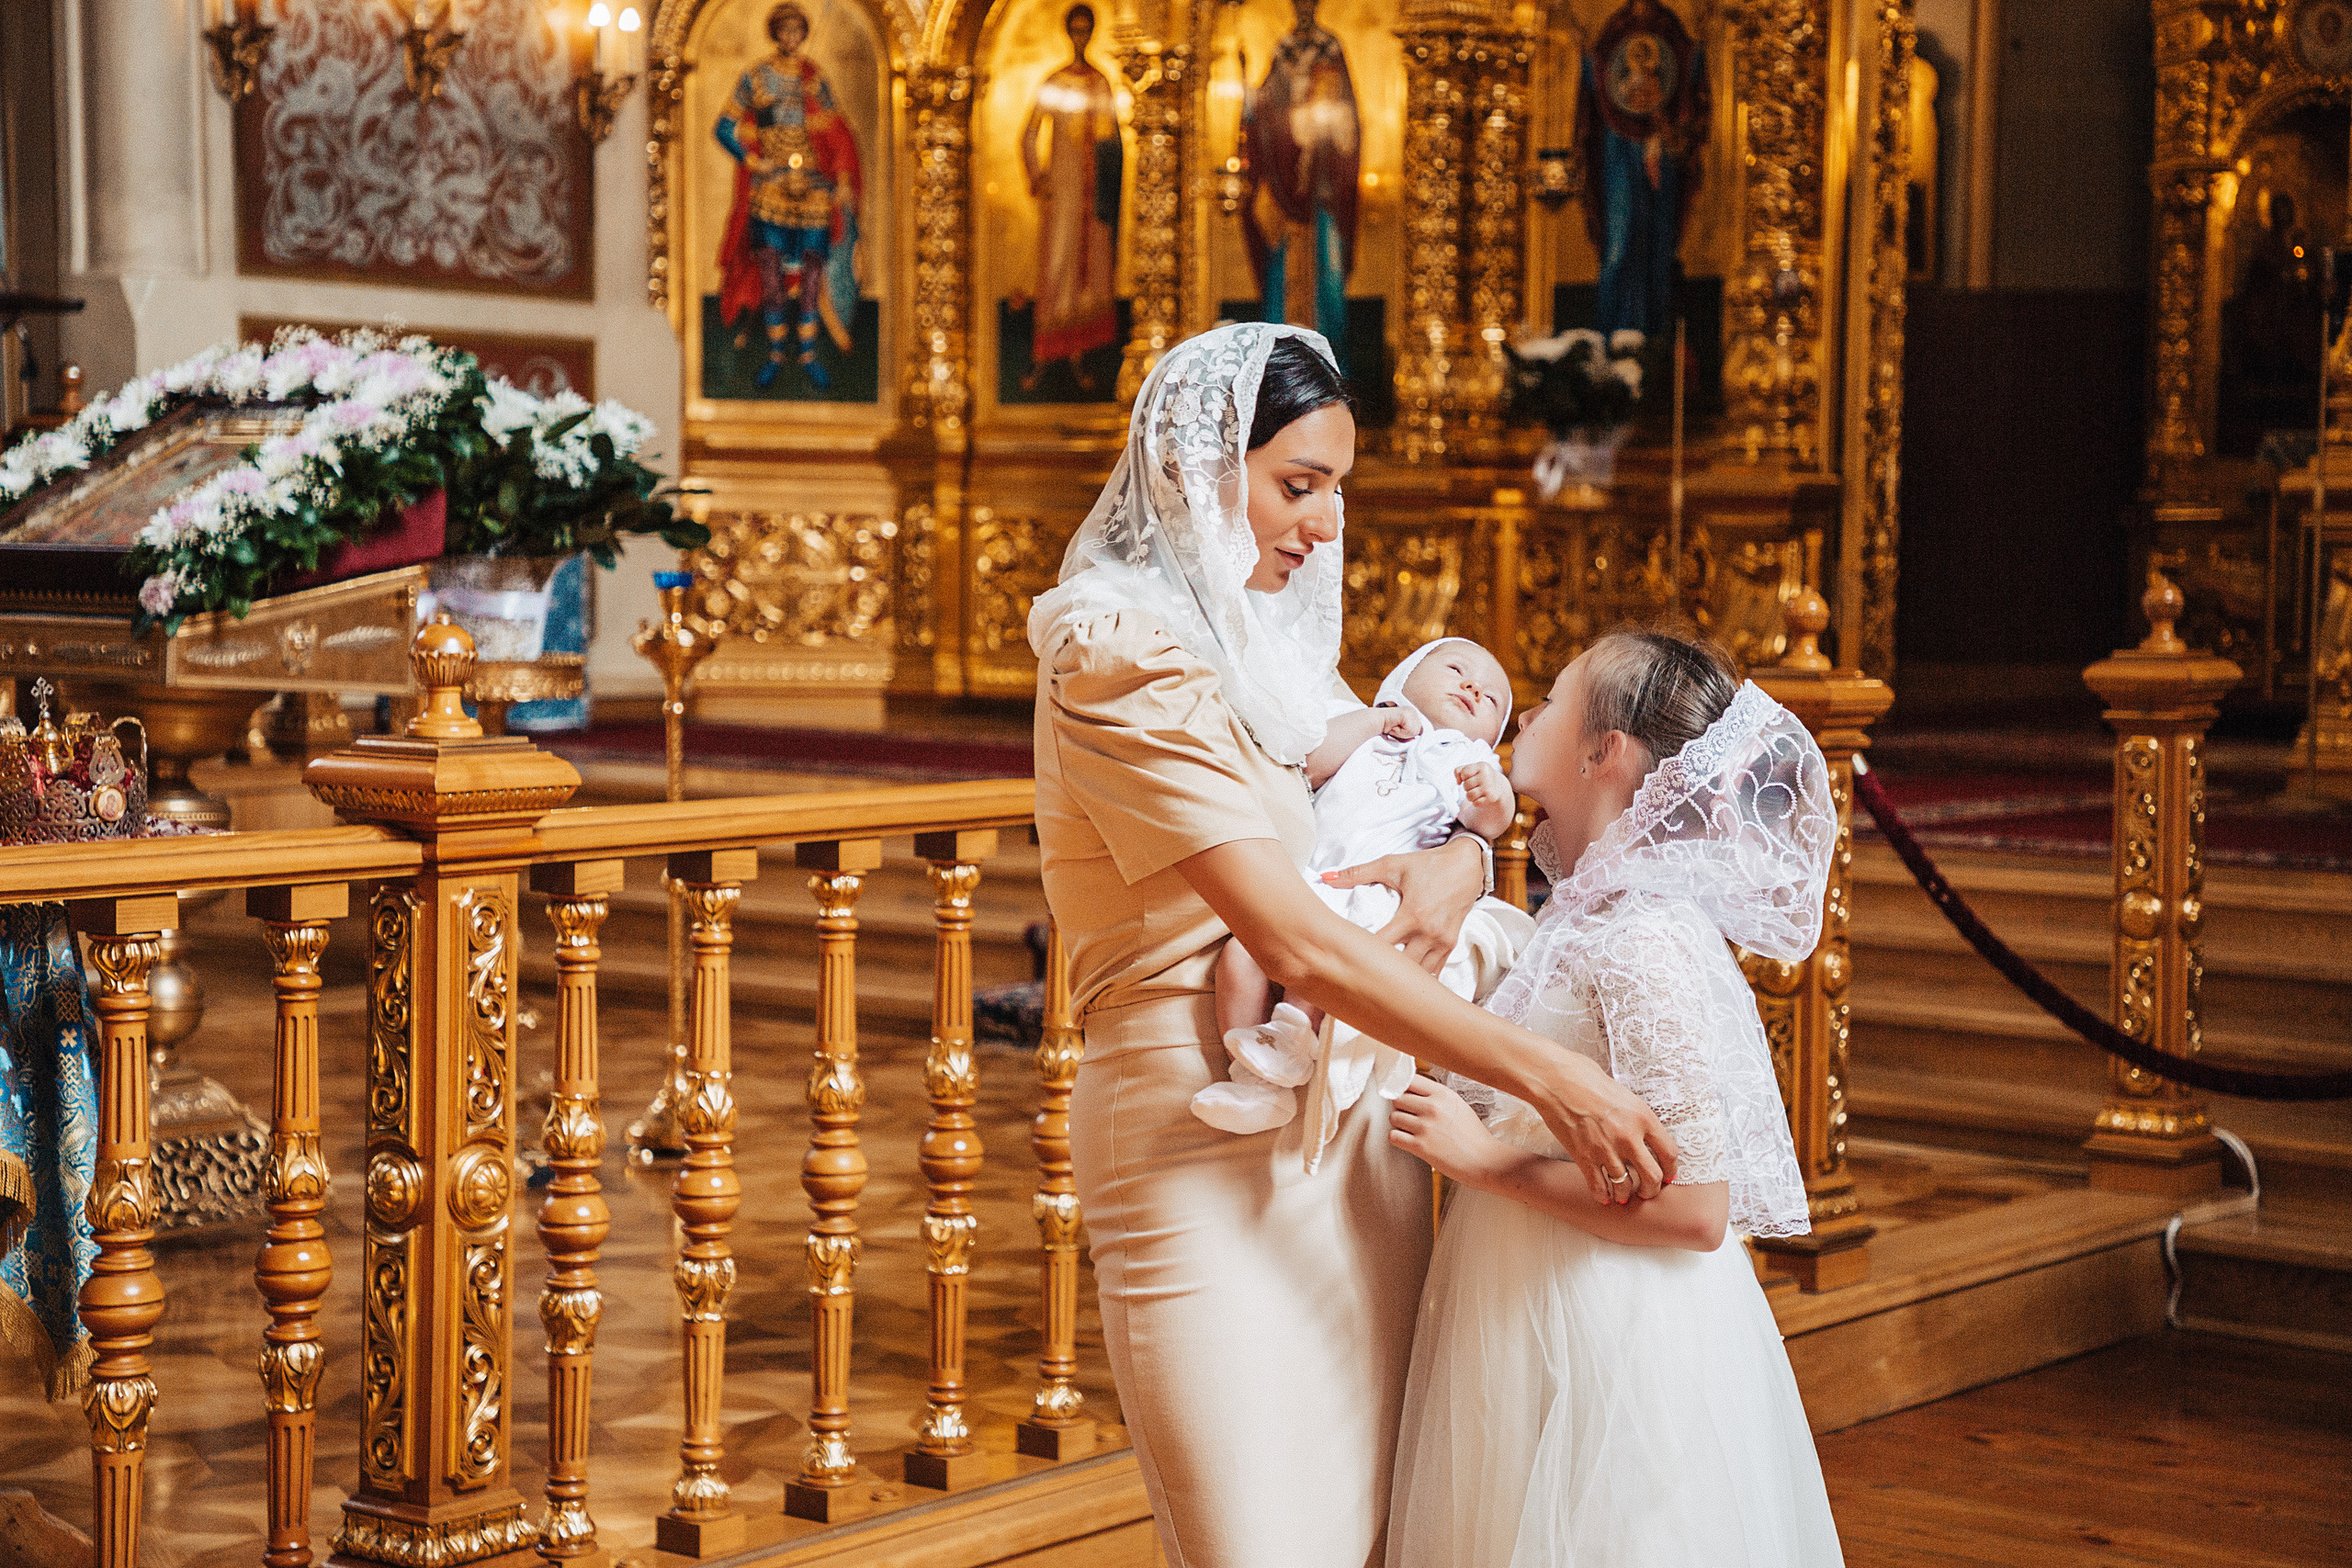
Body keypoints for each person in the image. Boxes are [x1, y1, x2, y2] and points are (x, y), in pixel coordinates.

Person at [1029, 321, 1679, 1568]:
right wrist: (1548, 1072)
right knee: (1256, 1544)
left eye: (1338, 490)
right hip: (1196, 1133)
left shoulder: (1285, 659)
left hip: (1365, 1141)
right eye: (1297, 485)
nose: (1326, 524)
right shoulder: (1116, 655)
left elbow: (1398, 811)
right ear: (1194, 468)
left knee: (1382, 1535)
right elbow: (1292, 934)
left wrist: (1464, 859)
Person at [1385, 630, 1847, 1567]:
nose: (1527, 713)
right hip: (1524, 1291)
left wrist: (1487, 1164)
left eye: (1552, 700)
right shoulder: (1584, 910)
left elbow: (1693, 1210)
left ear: (1608, 753)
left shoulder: (1641, 935)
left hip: (1603, 1327)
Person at [1195, 637, 1534, 1165]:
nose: (1473, 688)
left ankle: (1290, 1038)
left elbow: (1489, 824)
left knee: (1326, 971)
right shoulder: (1361, 725)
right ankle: (1251, 1077)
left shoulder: (1466, 763)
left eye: (1491, 699)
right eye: (1455, 669)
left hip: (1373, 896)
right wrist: (1377, 721)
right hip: (1308, 879)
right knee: (1240, 958)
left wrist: (1492, 793)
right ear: (1402, 678)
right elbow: (1309, 762)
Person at [715, 2, 863, 391]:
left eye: (798, 30)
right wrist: (750, 161)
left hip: (813, 187)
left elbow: (837, 134)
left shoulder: (815, 79)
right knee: (771, 273)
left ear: (804, 34)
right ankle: (777, 354)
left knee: (813, 272)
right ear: (775, 33)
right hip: (772, 187)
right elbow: (724, 128)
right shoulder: (756, 78)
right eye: (785, 30)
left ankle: (809, 355)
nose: (791, 37)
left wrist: (843, 177)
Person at [1577, 0, 1707, 339]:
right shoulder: (1614, 34)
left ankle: (1653, 338)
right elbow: (1599, 83)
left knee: (1657, 249)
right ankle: (1614, 334)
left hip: (1658, 155)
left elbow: (1686, 81)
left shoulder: (1669, 31)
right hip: (1620, 155)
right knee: (1619, 248)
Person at [1241, 0, 1360, 363]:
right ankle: (1284, 366)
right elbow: (1264, 112)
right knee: (1283, 274)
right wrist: (1250, 98)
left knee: (1326, 272)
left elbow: (1347, 117)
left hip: (1323, 186)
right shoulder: (1283, 50)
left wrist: (1327, 127)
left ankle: (1326, 365)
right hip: (1284, 187)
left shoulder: (1331, 48)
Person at [1020, 4, 1124, 392]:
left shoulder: (1101, 81)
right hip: (1063, 191)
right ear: (1068, 33)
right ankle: (1046, 357)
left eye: (1086, 31)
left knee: (1093, 272)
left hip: (1094, 193)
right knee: (1058, 266)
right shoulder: (1056, 80)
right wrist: (1038, 176)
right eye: (1075, 30)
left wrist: (1108, 176)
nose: (1080, 38)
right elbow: (1029, 134)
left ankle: (1084, 356)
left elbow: (1112, 139)